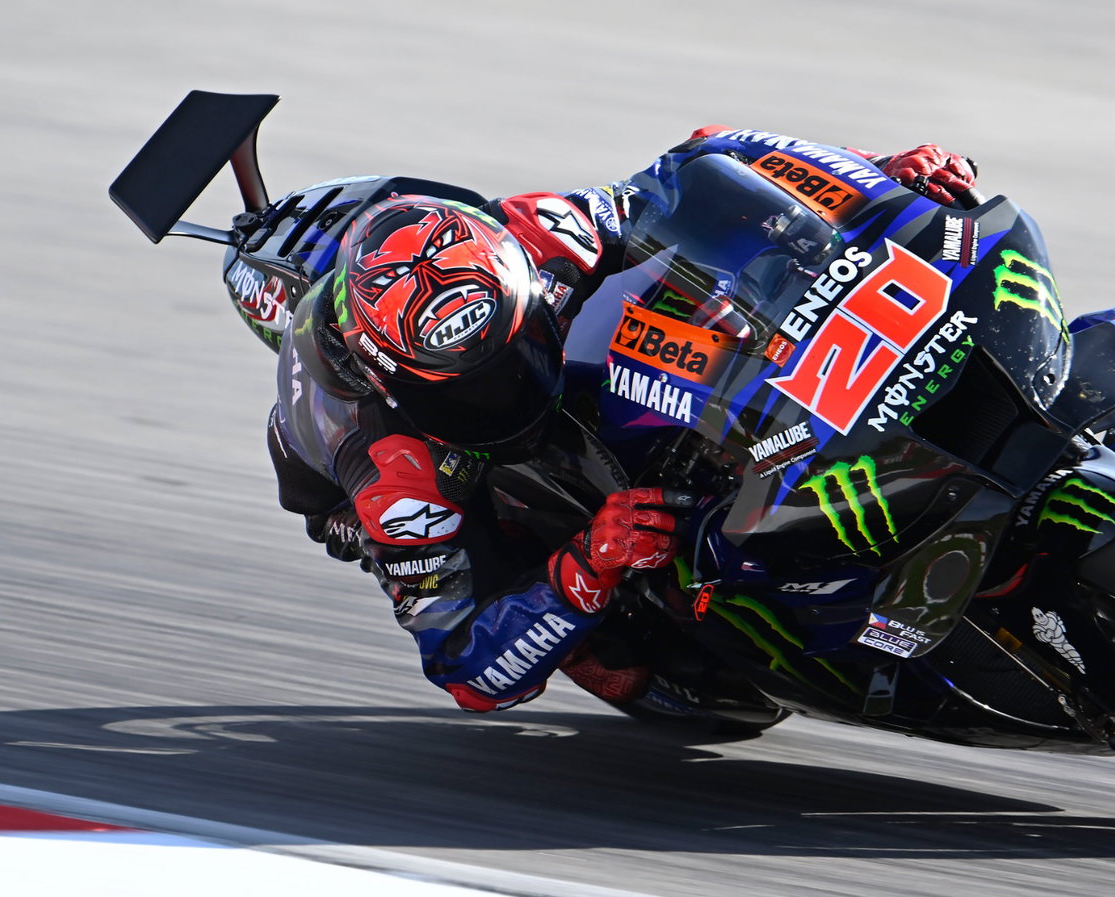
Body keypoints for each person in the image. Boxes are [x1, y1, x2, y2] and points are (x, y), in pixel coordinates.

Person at [265, 126, 978, 712]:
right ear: (401, 380)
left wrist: (874, 172)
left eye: (517, 349)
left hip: (537, 334)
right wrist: (587, 563)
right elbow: (465, 668)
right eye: (477, 381)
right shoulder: (395, 475)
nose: (511, 381)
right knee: (638, 675)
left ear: (521, 282)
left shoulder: (546, 235)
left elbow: (703, 162)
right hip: (398, 475)